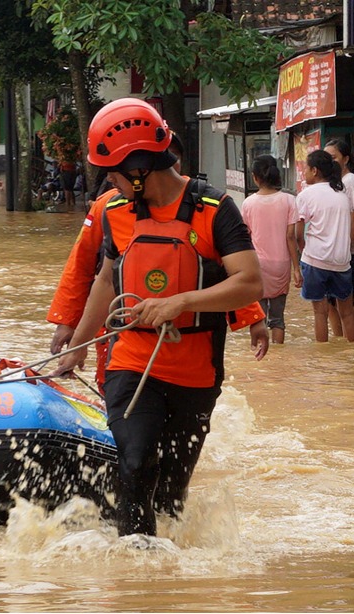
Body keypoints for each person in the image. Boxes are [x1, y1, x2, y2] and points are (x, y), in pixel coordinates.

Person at [53, 98, 263, 537]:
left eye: (112, 172)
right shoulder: (114, 211)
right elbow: (105, 283)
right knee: (133, 463)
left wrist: (181, 303)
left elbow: (249, 282)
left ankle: (166, 584)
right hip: (131, 361)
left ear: (139, 168)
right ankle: (136, 575)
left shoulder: (215, 209)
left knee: (169, 492)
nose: (108, 183)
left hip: (195, 371)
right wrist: (77, 346)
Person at [47, 135, 268, 390]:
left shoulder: (206, 208)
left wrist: (253, 317)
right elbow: (83, 266)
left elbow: (220, 272)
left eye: (174, 157)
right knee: (116, 392)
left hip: (185, 347)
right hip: (121, 329)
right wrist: (69, 324)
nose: (171, 165)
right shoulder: (109, 207)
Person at [241, 155, 301, 344]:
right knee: (277, 319)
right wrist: (296, 269)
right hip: (281, 265)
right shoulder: (289, 200)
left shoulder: (248, 203)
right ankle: (278, 360)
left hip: (257, 265)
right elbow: (291, 237)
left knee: (258, 318)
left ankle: (263, 366)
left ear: (255, 177)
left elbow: (245, 238)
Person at [295, 149, 354, 342]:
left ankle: (322, 360)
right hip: (342, 261)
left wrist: (303, 252)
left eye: (305, 169)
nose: (303, 173)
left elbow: (297, 234)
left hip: (315, 260)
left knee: (320, 313)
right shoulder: (342, 194)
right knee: (347, 313)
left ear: (314, 170)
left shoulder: (306, 195)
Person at [323, 139, 354, 337]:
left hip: (346, 253)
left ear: (346, 159)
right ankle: (339, 344)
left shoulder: (350, 182)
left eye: (333, 158)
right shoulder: (331, 185)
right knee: (330, 302)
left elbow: (352, 217)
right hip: (334, 253)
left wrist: (348, 246)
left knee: (345, 303)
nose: (329, 163)